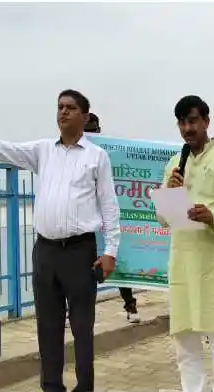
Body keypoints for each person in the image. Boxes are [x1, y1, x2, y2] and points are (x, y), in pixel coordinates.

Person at [0, 89, 120, 392]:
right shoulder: (43, 150)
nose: (63, 112)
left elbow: (109, 207)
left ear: (85, 117)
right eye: (60, 107)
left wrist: (111, 250)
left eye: (70, 108)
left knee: (82, 327)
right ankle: (52, 386)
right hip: (45, 252)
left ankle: (84, 387)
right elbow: (7, 150)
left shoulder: (96, 157)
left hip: (80, 252)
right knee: (47, 326)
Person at [157, 95, 214, 392]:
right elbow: (162, 218)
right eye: (182, 122)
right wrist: (169, 193)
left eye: (193, 120)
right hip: (183, 262)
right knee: (185, 345)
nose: (188, 128)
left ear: (207, 122)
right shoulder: (175, 163)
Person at [83, 112, 140, 324]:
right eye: (86, 130)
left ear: (98, 130)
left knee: (117, 262)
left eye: (92, 130)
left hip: (107, 218)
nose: (89, 134)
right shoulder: (73, 154)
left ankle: (130, 305)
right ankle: (76, 312)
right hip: (85, 222)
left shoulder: (104, 153)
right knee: (82, 270)